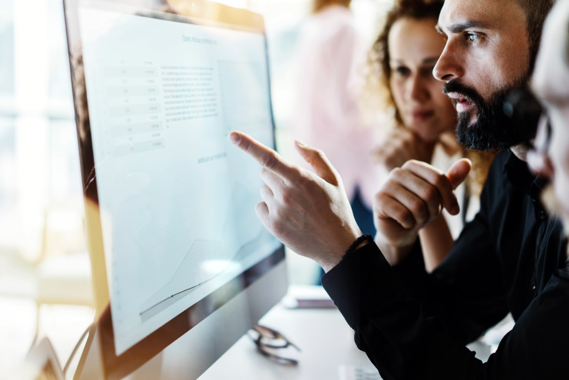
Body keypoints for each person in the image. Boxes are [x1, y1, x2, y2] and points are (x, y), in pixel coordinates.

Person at [228, 0, 569, 378]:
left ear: (550, 41)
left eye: (473, 36)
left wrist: (342, 254)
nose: (441, 69)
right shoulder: (510, 171)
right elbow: (449, 316)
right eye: (447, 37)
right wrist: (398, 247)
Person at [366, 0, 495, 271]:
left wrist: (424, 200)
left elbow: (456, 297)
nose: (413, 93)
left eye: (429, 69)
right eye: (401, 70)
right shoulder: (412, 149)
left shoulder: (500, 159)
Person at [293, 0, 380, 236]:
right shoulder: (344, 27)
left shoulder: (312, 26)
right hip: (349, 172)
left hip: (319, 165)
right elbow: (348, 104)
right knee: (359, 258)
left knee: (331, 255)